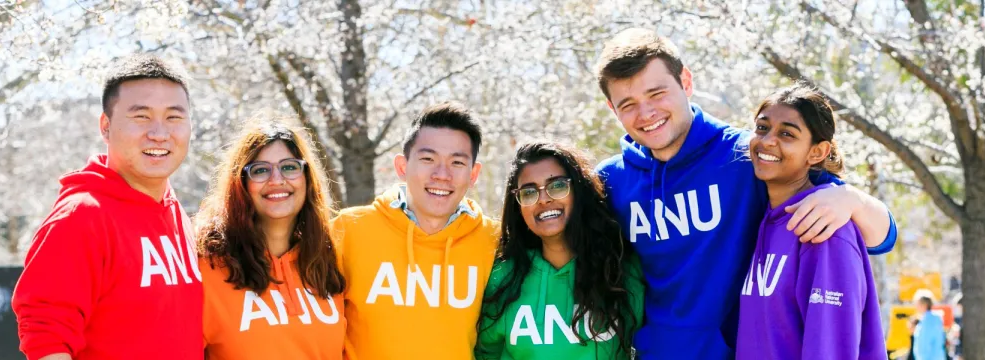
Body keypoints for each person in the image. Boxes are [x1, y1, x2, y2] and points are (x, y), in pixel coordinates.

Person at [591, 28, 898, 359]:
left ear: (686, 82)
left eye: (656, 94)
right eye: (628, 104)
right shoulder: (609, 181)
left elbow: (881, 236)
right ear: (612, 107)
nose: (646, 113)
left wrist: (850, 198)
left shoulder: (748, 157)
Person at [12, 54, 202, 360]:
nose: (159, 132)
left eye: (174, 117)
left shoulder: (172, 208)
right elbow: (46, 337)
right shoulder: (80, 217)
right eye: (141, 116)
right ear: (106, 126)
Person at [332, 102, 499, 360]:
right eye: (428, 159)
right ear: (402, 167)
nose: (442, 174)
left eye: (457, 162)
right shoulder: (348, 231)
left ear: (473, 174)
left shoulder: (495, 242)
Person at [733, 85, 885, 359]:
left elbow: (831, 349)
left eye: (787, 134)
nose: (767, 140)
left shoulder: (824, 229)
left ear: (816, 152)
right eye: (762, 127)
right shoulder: (764, 220)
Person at [195, 115, 346, 359]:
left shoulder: (328, 261)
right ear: (241, 183)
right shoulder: (207, 267)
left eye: (289, 167)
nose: (277, 180)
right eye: (260, 170)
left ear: (307, 178)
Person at [476, 141, 644, 359]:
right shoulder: (503, 279)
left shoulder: (620, 270)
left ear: (578, 191)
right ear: (519, 206)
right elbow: (486, 353)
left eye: (557, 186)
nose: (544, 199)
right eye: (529, 192)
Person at [911, 290, 947, 360]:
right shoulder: (929, 320)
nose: (916, 307)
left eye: (917, 304)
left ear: (925, 304)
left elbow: (924, 345)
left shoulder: (929, 321)